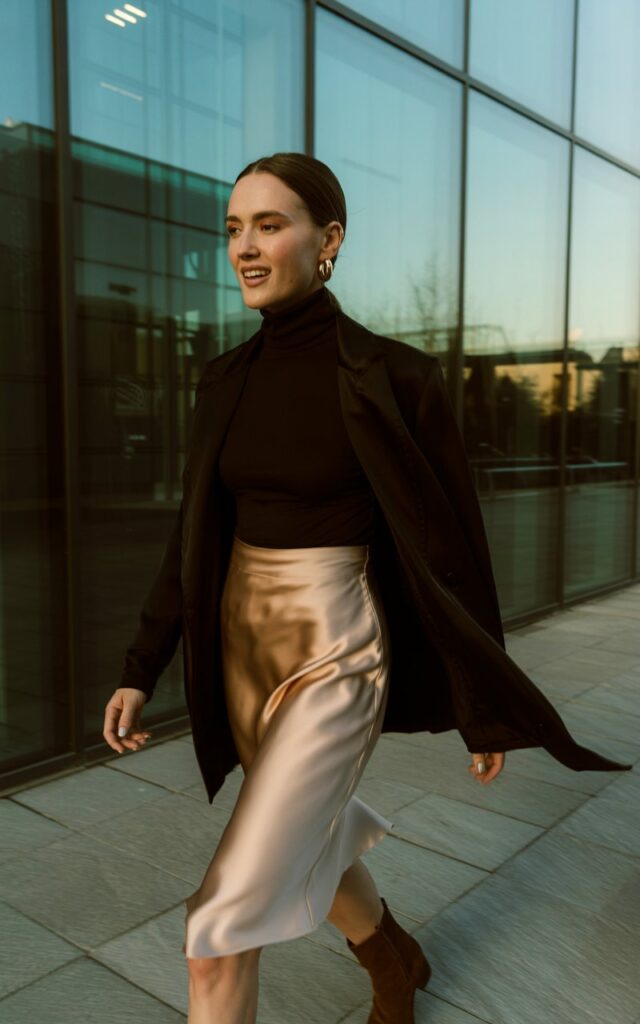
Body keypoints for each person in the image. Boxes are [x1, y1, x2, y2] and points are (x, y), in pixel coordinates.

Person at [102, 152, 630, 1024]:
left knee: (221, 925)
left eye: (270, 225)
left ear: (330, 239)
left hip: (337, 646)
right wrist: (139, 663)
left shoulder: (396, 377)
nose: (246, 246)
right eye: (234, 228)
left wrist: (481, 701)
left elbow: (454, 550)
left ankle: (367, 957)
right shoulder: (223, 380)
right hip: (243, 646)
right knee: (304, 828)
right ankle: (392, 956)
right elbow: (190, 539)